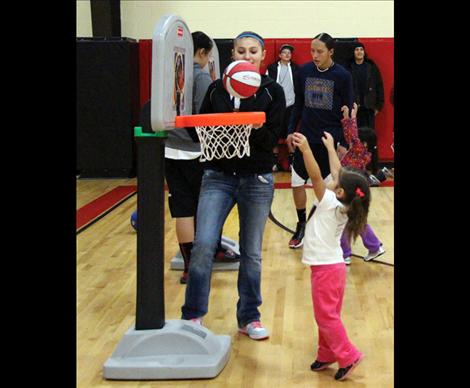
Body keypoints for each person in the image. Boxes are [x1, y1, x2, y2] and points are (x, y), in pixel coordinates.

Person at [181, 31, 286, 340]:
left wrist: (254, 126)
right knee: (203, 244)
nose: (247, 55)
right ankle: (193, 315)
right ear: (232, 55)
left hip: (258, 178)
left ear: (263, 56)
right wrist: (229, 118)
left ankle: (249, 317)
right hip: (218, 176)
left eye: (253, 51)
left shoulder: (273, 92)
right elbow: (199, 132)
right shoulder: (216, 90)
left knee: (251, 252)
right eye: (241, 50)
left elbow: (271, 141)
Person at [140, 31, 237, 285]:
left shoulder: (170, 72)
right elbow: (206, 115)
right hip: (197, 151)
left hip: (170, 148)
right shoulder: (202, 76)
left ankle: (188, 267)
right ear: (204, 53)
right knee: (204, 207)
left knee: (182, 208)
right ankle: (206, 256)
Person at [292, 129, 366, 381]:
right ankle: (326, 354)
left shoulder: (328, 201)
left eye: (337, 181)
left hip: (326, 270)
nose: (333, 178)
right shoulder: (342, 204)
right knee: (328, 315)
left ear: (340, 191)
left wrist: (306, 150)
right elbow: (337, 173)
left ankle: (348, 355)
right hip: (333, 269)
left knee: (325, 316)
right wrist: (331, 148)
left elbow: (315, 177)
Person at [285, 33, 353, 249]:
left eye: (320, 51)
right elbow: (298, 104)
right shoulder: (303, 71)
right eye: (312, 50)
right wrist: (290, 131)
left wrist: (343, 142)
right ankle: (302, 224)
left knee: (326, 188)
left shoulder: (342, 75)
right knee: (297, 182)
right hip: (305, 137)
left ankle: (325, 229)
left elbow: (348, 110)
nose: (314, 55)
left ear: (331, 52)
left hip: (329, 140)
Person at [335, 103, 385, 264]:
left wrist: (351, 117)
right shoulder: (366, 154)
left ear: (364, 144)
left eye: (358, 140)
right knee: (356, 220)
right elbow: (353, 137)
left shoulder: (359, 150)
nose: (352, 142)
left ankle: (346, 254)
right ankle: (373, 246)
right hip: (359, 191)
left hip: (352, 190)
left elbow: (352, 135)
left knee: (346, 219)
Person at [348, 42, 384, 182]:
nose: (359, 52)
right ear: (354, 52)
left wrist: (378, 106)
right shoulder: (349, 68)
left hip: (368, 109)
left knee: (371, 140)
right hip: (355, 110)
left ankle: (374, 167)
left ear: (364, 52)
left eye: (361, 49)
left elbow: (379, 86)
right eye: (356, 49)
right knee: (355, 139)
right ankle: (357, 167)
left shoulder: (371, 67)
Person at [266, 43, 299, 172]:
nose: (287, 55)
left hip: (291, 105)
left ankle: (291, 163)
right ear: (279, 55)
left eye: (289, 53)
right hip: (277, 106)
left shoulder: (296, 68)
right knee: (275, 134)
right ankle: (274, 163)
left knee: (290, 135)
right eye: (284, 52)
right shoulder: (272, 68)